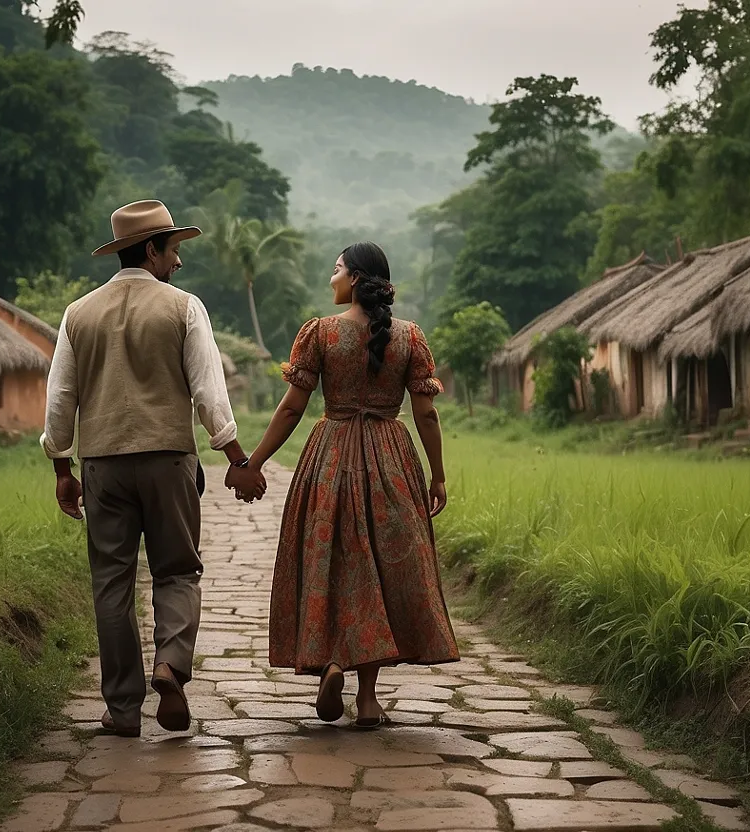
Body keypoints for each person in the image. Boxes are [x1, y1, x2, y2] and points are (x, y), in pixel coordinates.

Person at [41, 199, 266, 739]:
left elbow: (59, 401)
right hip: (168, 461)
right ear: (151, 250)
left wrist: (61, 470)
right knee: (177, 571)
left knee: (111, 585)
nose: (179, 262)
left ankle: (122, 711)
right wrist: (237, 461)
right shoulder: (184, 308)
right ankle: (170, 663)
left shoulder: (78, 314)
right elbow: (210, 394)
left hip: (102, 468)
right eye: (174, 250)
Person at [227, 241, 458, 729]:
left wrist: (253, 461)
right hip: (390, 460)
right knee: (379, 567)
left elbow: (291, 408)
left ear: (354, 278)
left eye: (335, 270)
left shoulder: (321, 334)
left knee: (331, 560)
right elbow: (426, 414)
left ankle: (332, 660)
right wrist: (436, 475)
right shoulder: (410, 338)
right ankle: (368, 699)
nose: (329, 278)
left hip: (330, 458)